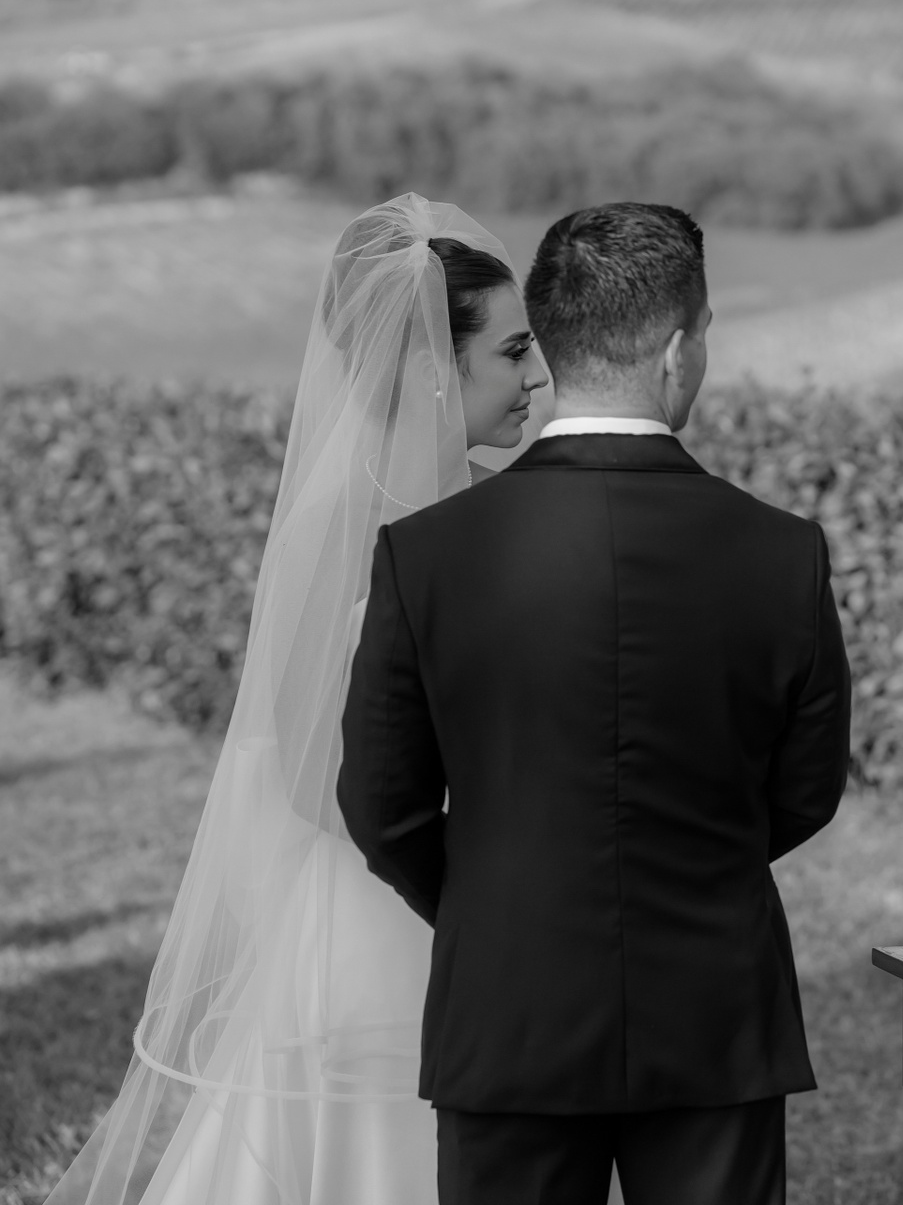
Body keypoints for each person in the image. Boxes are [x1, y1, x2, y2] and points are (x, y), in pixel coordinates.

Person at [336, 201, 852, 1205]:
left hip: (507, 1006)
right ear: (676, 352)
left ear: (555, 339)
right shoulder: (783, 550)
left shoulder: (426, 553)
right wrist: (697, 868)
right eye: (705, 336)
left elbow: (381, 803)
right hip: (713, 1009)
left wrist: (497, 901)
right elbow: (806, 790)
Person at [44, 194, 551, 1205]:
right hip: (383, 911)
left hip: (505, 898)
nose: (537, 375)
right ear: (431, 368)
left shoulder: (507, 516)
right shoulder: (338, 529)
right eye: (511, 351)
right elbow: (316, 776)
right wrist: (477, 877)